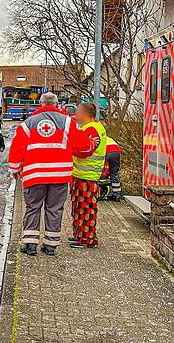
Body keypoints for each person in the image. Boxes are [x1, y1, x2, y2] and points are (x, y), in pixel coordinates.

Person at [8, 93, 98, 257]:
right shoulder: (68, 123)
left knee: (33, 208)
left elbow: (17, 149)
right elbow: (83, 146)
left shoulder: (27, 124)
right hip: (59, 175)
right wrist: (92, 142)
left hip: (34, 175)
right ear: (57, 105)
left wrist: (15, 170)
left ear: (40, 104)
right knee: (55, 209)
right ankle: (50, 245)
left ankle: (30, 244)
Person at [69, 102, 108, 249]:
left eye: (78, 112)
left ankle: (86, 240)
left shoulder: (91, 129)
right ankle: (80, 236)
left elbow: (83, 150)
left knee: (85, 210)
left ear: (86, 114)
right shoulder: (93, 127)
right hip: (85, 175)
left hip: (86, 177)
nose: (76, 115)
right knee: (80, 208)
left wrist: (70, 149)